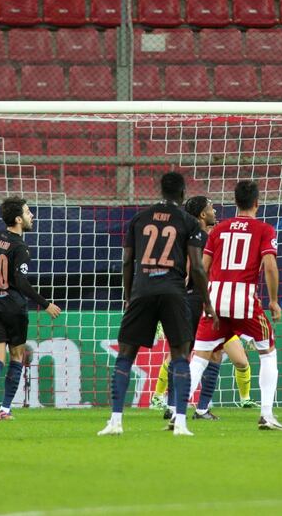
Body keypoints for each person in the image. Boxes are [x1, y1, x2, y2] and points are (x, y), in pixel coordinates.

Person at [98, 172, 218, 437]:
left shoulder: (139, 219)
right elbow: (197, 267)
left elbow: (128, 262)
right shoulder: (189, 222)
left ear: (160, 190)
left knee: (126, 355)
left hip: (142, 290)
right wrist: (207, 303)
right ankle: (181, 423)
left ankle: (115, 421)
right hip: (174, 293)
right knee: (180, 356)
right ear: (183, 192)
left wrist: (129, 296)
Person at [193, 180, 282, 431]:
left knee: (200, 356)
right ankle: (266, 414)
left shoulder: (219, 229)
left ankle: (178, 412)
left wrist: (204, 299)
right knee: (268, 351)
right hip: (244, 300)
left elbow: (201, 268)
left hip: (214, 298)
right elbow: (269, 266)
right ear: (257, 202)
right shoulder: (264, 230)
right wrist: (274, 301)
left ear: (235, 202)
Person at [154, 196, 256, 423]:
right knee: (189, 353)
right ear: (202, 214)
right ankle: (179, 406)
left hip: (206, 299)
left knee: (208, 352)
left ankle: (195, 408)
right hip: (197, 300)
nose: (215, 210)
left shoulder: (195, 235)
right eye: (210, 207)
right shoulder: (198, 237)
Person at [0, 196, 61, 421]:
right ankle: (6, 409)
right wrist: (45, 304)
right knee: (17, 356)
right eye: (28, 213)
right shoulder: (20, 247)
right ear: (18, 219)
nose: (32, 216)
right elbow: (20, 281)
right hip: (13, 309)